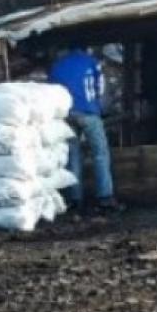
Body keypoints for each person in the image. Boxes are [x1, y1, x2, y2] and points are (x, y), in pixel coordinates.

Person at [48, 45, 119, 211]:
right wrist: (100, 107)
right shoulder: (92, 62)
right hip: (89, 112)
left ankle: (75, 198)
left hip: (67, 115)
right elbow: (101, 88)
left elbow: (50, 91)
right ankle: (105, 196)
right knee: (100, 154)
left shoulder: (58, 65)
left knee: (73, 155)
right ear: (86, 48)